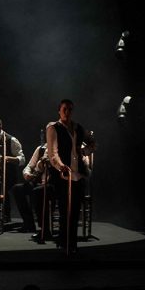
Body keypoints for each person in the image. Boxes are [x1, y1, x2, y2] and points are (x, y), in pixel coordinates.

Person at [45, 99, 95, 254]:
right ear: (59, 111)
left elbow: (92, 143)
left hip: (78, 174)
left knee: (75, 211)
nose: (67, 112)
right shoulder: (53, 128)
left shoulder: (78, 127)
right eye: (65, 109)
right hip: (62, 175)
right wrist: (61, 166)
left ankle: (72, 243)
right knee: (65, 210)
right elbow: (53, 153)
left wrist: (85, 152)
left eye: (70, 110)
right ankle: (63, 241)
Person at [0, 116, 25, 223]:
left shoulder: (11, 140)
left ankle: (5, 214)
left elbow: (22, 159)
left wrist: (8, 158)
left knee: (2, 184)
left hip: (8, 174)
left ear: (0, 127)